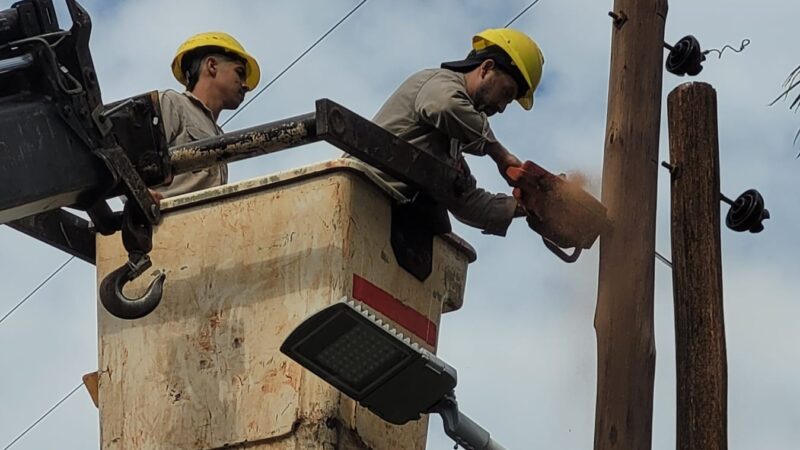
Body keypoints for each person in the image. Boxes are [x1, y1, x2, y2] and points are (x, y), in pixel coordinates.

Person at [366, 28, 545, 236]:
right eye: (506, 93)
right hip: (357, 196)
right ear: (486, 68)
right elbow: (444, 106)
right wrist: (500, 155)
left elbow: (464, 199)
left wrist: (528, 206)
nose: (503, 107)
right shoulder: (437, 81)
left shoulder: (450, 145)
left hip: (384, 224)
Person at [154, 31, 260, 198]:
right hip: (163, 221)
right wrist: (143, 198)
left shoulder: (219, 135)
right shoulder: (172, 104)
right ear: (212, 66)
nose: (245, 85)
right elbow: (127, 165)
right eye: (239, 73)